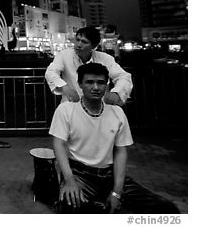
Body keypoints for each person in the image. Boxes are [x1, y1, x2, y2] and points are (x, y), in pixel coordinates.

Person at [49, 62, 180, 213]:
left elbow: (120, 152)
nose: (96, 87)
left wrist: (117, 192)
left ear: (107, 85)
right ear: (80, 84)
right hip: (80, 174)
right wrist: (69, 180)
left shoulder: (117, 113)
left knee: (166, 208)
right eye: (90, 82)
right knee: (72, 206)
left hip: (109, 174)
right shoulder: (66, 110)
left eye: (101, 83)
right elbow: (58, 145)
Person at [45, 26, 132, 106]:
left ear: (93, 46)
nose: (79, 45)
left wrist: (117, 93)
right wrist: (64, 87)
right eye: (77, 40)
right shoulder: (64, 55)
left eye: (84, 42)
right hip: (71, 106)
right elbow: (51, 72)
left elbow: (124, 76)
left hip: (99, 108)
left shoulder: (105, 58)